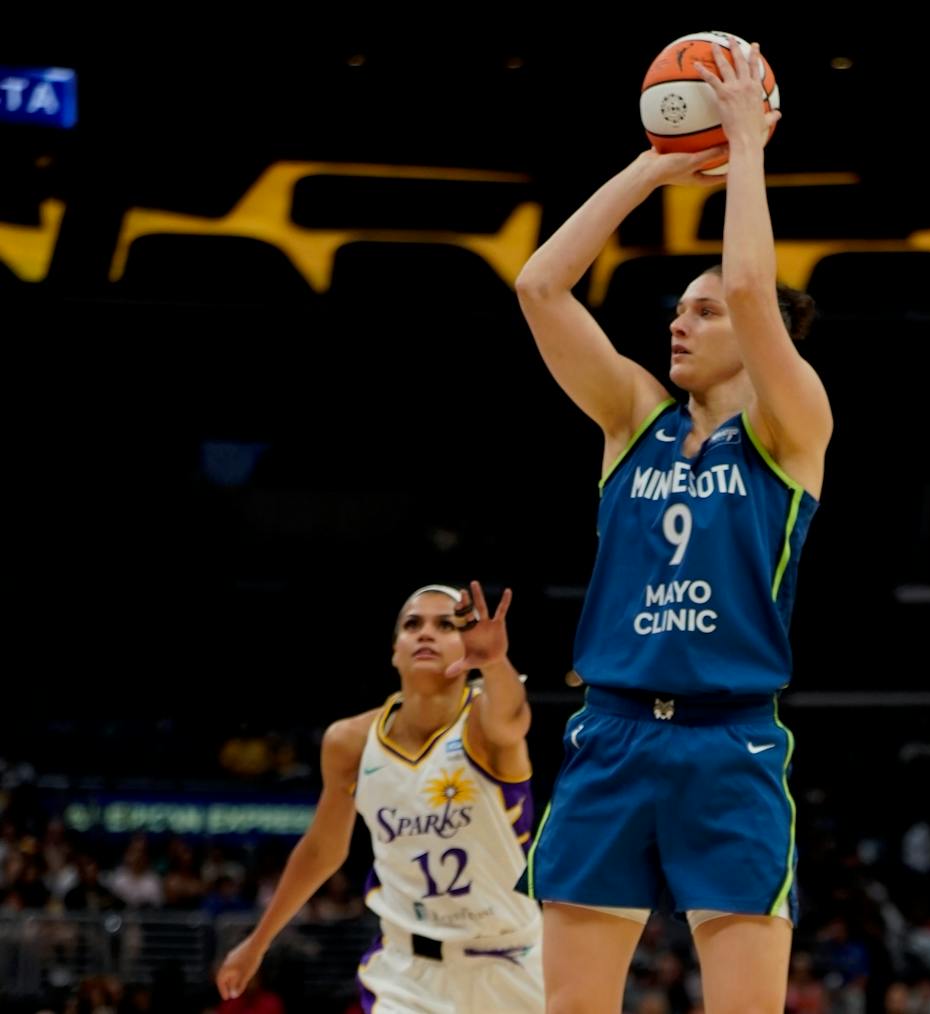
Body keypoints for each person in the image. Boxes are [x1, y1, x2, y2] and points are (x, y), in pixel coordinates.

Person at [514, 35, 832, 1013]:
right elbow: (539, 286)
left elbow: (751, 288)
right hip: (610, 733)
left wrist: (748, 149)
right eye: (678, 310)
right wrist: (656, 167)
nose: (678, 323)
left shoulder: (791, 428)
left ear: (762, 338)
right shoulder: (632, 421)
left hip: (728, 744)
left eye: (702, 311)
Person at [215, 581, 543, 1012]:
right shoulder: (350, 742)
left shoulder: (483, 723)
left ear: (466, 646)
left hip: (510, 964)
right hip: (407, 972)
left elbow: (512, 715)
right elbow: (322, 850)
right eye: (413, 624)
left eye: (445, 625)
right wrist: (259, 941)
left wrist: (496, 663)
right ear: (394, 651)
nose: (426, 633)